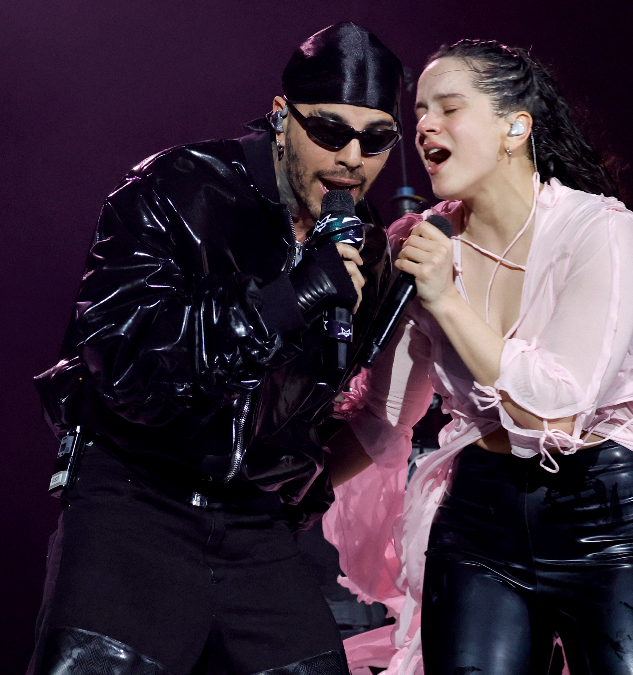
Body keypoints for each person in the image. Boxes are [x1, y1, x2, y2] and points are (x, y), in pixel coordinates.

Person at [27, 23, 405, 675]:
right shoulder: (178, 189)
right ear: (282, 116)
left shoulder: (363, 244)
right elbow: (124, 365)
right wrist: (290, 297)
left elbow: (324, 406)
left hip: (254, 524)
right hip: (136, 501)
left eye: (375, 140)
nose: (351, 157)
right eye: (329, 131)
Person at [322, 40, 633, 675]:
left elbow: (558, 403)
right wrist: (285, 494)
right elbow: (384, 415)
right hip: (479, 520)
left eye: (449, 108)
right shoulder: (421, 243)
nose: (425, 126)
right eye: (419, 112)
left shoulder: (600, 231)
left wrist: (446, 298)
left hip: (603, 513)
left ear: (515, 127)